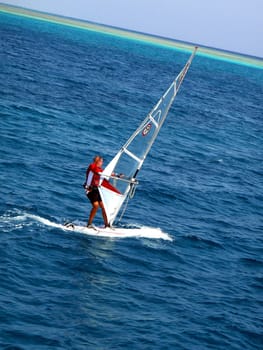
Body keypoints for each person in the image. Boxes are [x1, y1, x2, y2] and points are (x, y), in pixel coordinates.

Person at [83, 156, 109, 228]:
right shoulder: (92, 166)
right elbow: (97, 171)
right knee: (96, 205)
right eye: (101, 161)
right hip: (89, 189)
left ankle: (107, 225)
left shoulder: (100, 170)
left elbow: (105, 174)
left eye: (102, 162)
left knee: (104, 207)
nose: (102, 163)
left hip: (97, 190)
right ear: (97, 161)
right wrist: (104, 173)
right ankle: (89, 224)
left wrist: (117, 175)